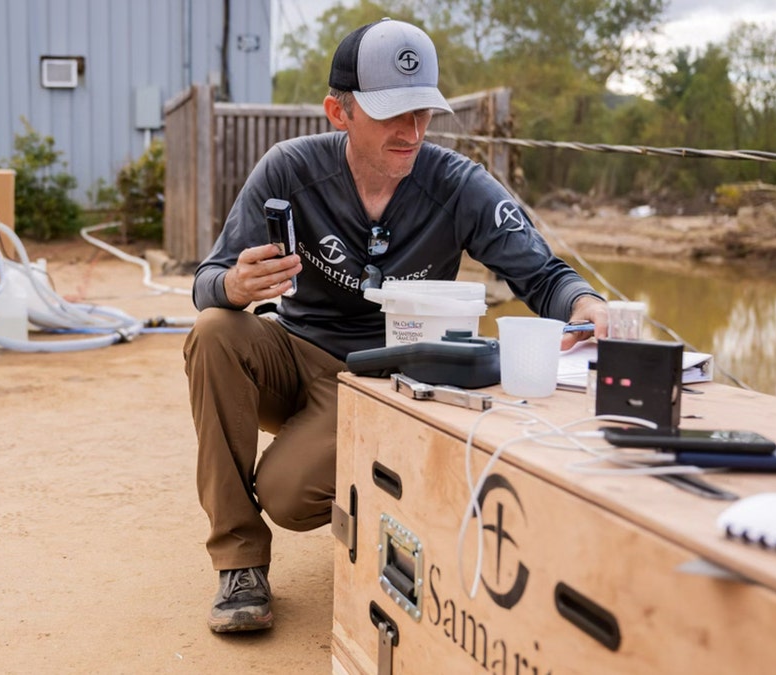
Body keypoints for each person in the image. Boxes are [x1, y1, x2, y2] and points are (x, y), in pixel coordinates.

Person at [183, 18, 609, 633]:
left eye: (422, 113)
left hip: (380, 374)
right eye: (391, 114)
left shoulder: (457, 184)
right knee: (215, 330)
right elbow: (207, 281)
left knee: (285, 493)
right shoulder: (288, 170)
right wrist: (233, 285)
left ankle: (391, 521)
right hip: (292, 351)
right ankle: (239, 562)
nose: (412, 132)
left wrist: (586, 307)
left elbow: (542, 274)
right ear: (339, 111)